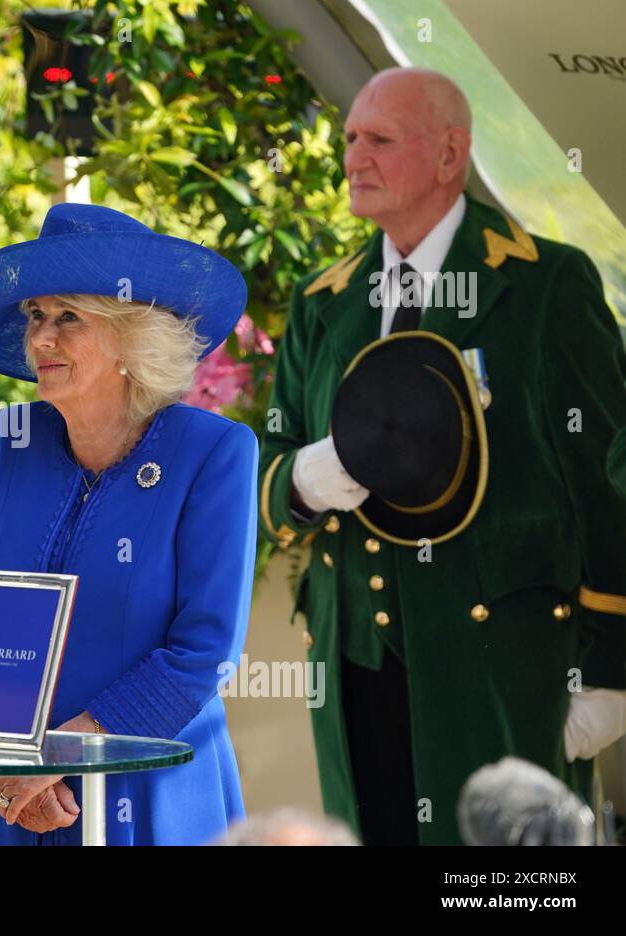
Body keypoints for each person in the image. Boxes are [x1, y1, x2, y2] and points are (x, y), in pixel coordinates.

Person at [259, 67, 626, 845]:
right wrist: (303, 478)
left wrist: (612, 672)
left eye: (380, 140)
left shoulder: (544, 286)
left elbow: (609, 481)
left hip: (504, 665)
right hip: (357, 656)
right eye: (351, 137)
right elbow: (271, 456)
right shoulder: (324, 303)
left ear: (450, 153)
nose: (354, 156)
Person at [0, 202, 258, 845]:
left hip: (150, 786)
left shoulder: (212, 452)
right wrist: (5, 765)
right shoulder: (10, 442)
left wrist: (68, 754)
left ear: (131, 337)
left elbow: (202, 653)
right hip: (19, 798)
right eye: (35, 317)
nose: (41, 339)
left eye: (68, 318)